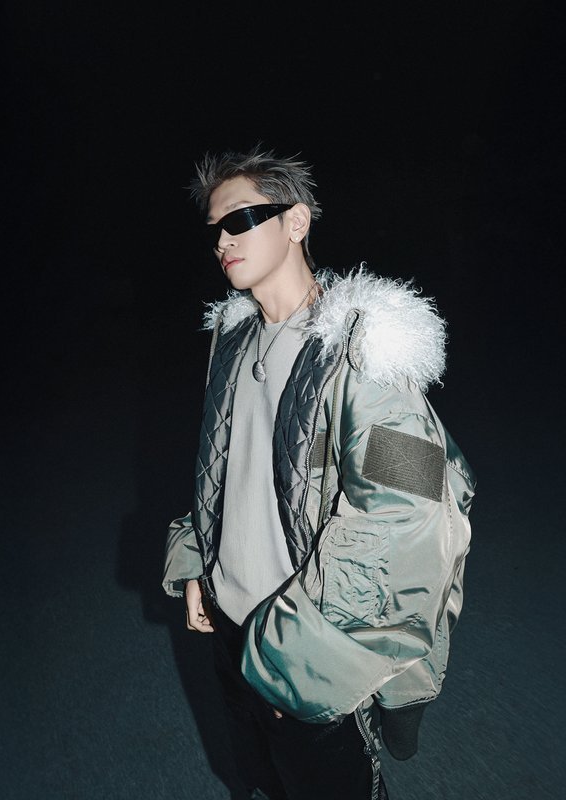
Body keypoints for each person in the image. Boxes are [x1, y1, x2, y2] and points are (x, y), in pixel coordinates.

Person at [163, 145, 476, 800]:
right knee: (262, 782)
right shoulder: (233, 338)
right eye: (214, 228)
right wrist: (199, 560)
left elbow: (411, 510)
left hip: (308, 653)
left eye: (239, 219)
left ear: (297, 222)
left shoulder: (365, 356)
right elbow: (224, 468)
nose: (222, 240)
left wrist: (298, 653)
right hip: (230, 628)